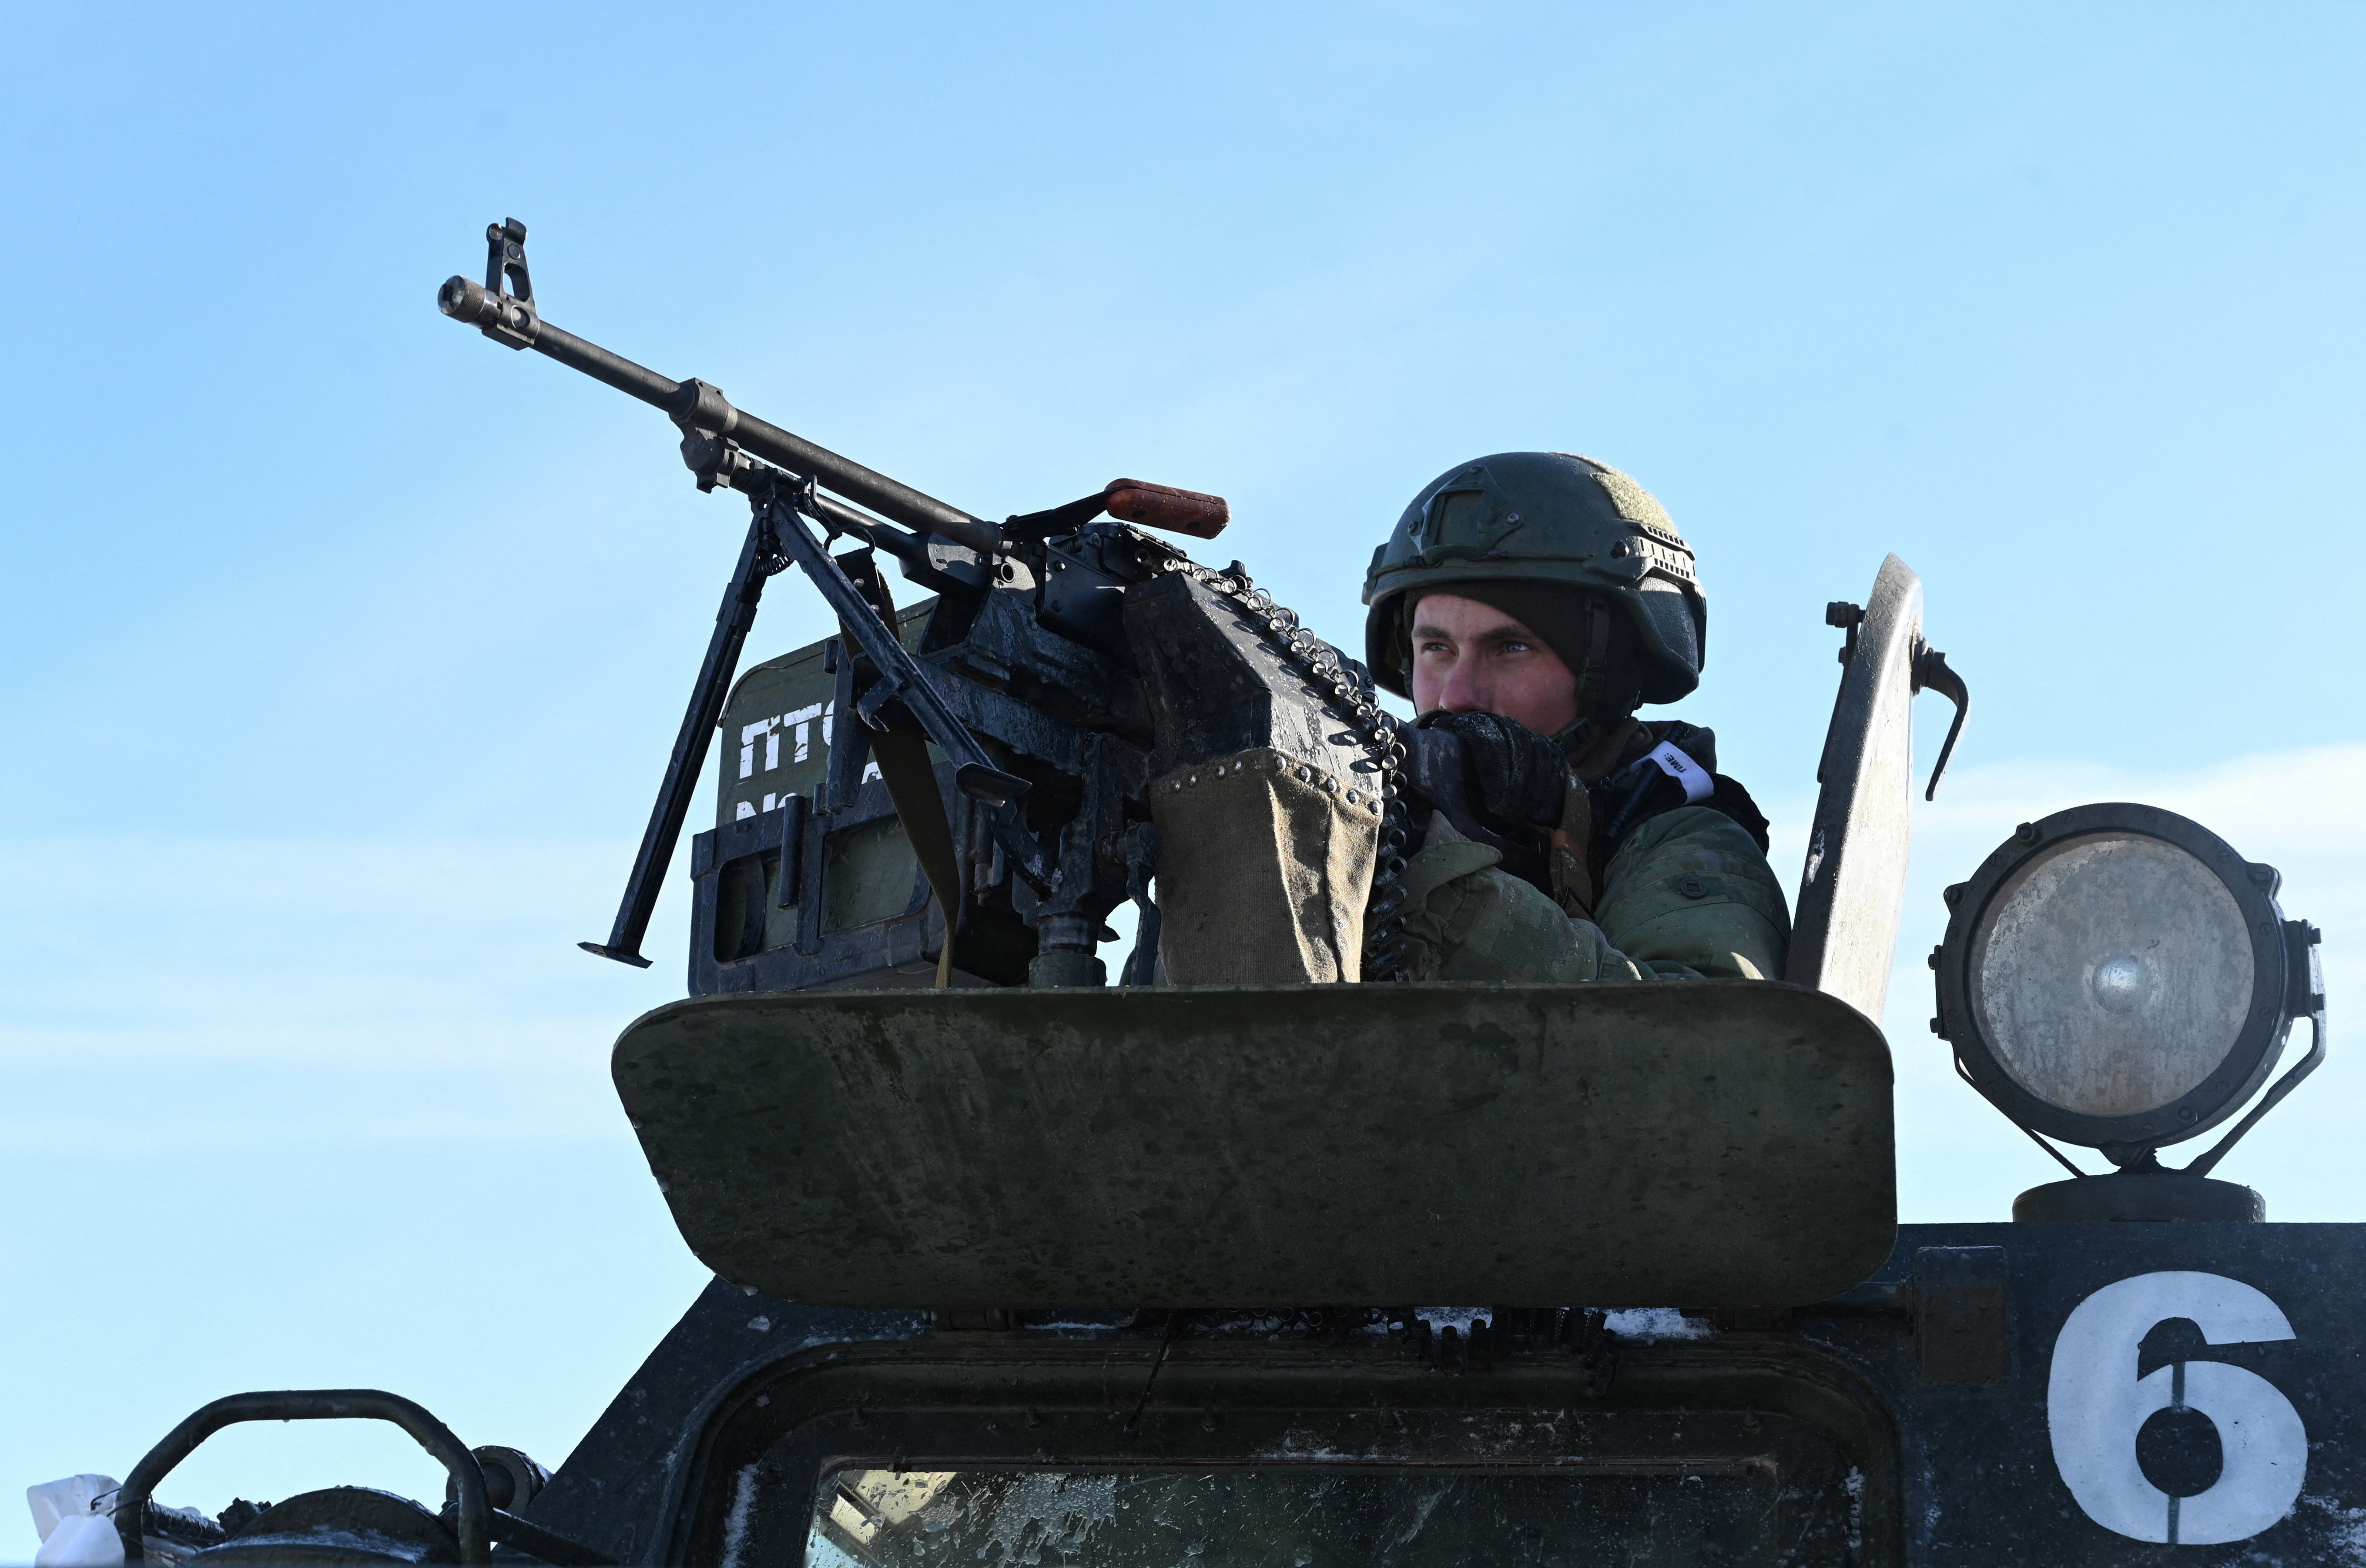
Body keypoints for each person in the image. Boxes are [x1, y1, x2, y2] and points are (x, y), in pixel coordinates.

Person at [1361, 451, 1790, 982]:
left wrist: (1449, 897)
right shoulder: (1377, 806)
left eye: (1511, 648)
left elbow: (1708, 1025)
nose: (1456, 696)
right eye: (1436, 648)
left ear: (1607, 672)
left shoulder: (1677, 838)